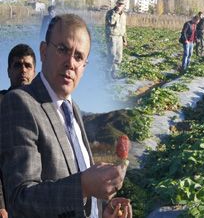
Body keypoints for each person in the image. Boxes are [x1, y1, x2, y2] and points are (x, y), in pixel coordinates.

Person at [0, 14, 132, 218]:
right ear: (44, 52)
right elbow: (20, 200)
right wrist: (84, 186)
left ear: (84, 67)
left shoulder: (73, 110)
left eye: (79, 57)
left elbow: (73, 183)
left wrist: (99, 210)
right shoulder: (20, 103)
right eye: (63, 50)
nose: (71, 62)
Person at [0, 44, 36, 218]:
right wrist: (1, 204)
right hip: (7, 203)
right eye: (17, 65)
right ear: (8, 71)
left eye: (28, 66)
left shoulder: (42, 109)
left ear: (34, 72)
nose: (23, 70)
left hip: (38, 201)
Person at [105, 0, 128, 79]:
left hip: (119, 37)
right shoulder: (110, 13)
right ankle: (107, 74)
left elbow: (124, 28)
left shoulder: (124, 15)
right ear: (116, 4)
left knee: (119, 57)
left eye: (121, 4)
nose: (120, 5)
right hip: (112, 36)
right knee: (111, 56)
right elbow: (111, 22)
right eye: (118, 4)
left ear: (124, 5)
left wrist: (125, 39)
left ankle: (114, 73)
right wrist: (116, 12)